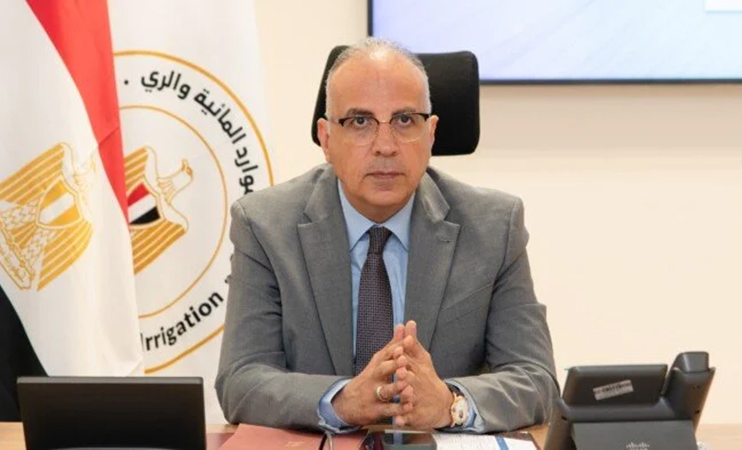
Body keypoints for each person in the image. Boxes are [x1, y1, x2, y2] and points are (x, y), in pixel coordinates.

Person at [216, 38, 558, 433]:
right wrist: (342, 401)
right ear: (326, 139)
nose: (385, 146)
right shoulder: (264, 225)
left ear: (431, 134)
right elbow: (241, 379)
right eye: (360, 122)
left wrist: (450, 404)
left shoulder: (494, 227)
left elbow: (536, 380)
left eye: (404, 120)